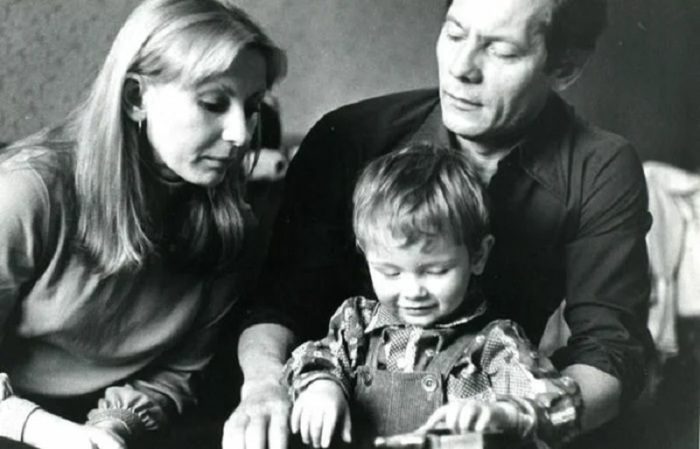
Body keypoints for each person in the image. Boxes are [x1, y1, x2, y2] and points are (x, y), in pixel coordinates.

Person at [223, 0, 653, 448]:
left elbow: (610, 352)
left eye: (502, 51)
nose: (461, 68)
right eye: (454, 33)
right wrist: (265, 388)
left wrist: (520, 416)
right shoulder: (347, 136)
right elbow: (277, 304)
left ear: (565, 68)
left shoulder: (600, 166)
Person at [0, 0, 285, 448]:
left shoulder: (231, 228)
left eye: (250, 107)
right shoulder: (27, 192)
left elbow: (176, 372)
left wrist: (109, 429)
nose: (241, 134)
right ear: (136, 98)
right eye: (213, 103)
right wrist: (42, 429)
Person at [283, 144, 582, 449]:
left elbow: (561, 404)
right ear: (365, 253)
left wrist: (505, 414)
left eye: (436, 271)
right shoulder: (355, 325)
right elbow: (310, 360)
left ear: (478, 256)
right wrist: (321, 387)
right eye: (390, 272)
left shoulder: (495, 344)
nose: (413, 291)